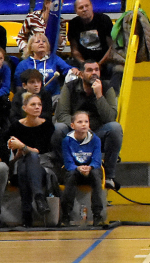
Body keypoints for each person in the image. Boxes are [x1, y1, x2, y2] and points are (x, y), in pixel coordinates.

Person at [52, 61, 122, 191]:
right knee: (58, 129)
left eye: (96, 70)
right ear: (81, 74)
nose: (94, 73)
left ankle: (109, 176)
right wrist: (79, 127)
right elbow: (62, 114)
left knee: (115, 128)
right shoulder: (69, 87)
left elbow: (110, 117)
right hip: (74, 132)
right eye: (90, 70)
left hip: (97, 133)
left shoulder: (106, 88)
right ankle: (62, 171)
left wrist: (99, 95)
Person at [2, 94, 56, 225]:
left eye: (39, 104)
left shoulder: (47, 126)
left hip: (42, 168)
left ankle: (27, 211)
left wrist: (22, 147)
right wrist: (17, 151)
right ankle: (38, 198)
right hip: (19, 167)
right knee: (24, 163)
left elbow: (39, 151)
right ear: (24, 108)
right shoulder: (15, 127)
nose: (37, 107)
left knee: (30, 157)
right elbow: (8, 150)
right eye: (33, 104)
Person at [59, 111, 105, 226]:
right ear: (73, 125)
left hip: (91, 170)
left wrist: (89, 167)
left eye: (86, 122)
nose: (84, 124)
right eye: (80, 122)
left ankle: (97, 215)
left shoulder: (95, 140)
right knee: (71, 175)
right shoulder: (67, 140)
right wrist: (78, 168)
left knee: (96, 174)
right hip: (75, 170)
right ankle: (65, 215)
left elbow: (97, 160)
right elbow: (68, 162)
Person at [68, 0, 122, 91]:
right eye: (81, 7)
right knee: (68, 69)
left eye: (86, 6)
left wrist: (99, 64)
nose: (85, 9)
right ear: (76, 11)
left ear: (91, 6)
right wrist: (85, 65)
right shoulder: (73, 23)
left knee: (119, 69)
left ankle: (112, 95)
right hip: (84, 63)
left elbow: (112, 47)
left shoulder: (104, 19)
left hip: (105, 61)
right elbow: (74, 50)